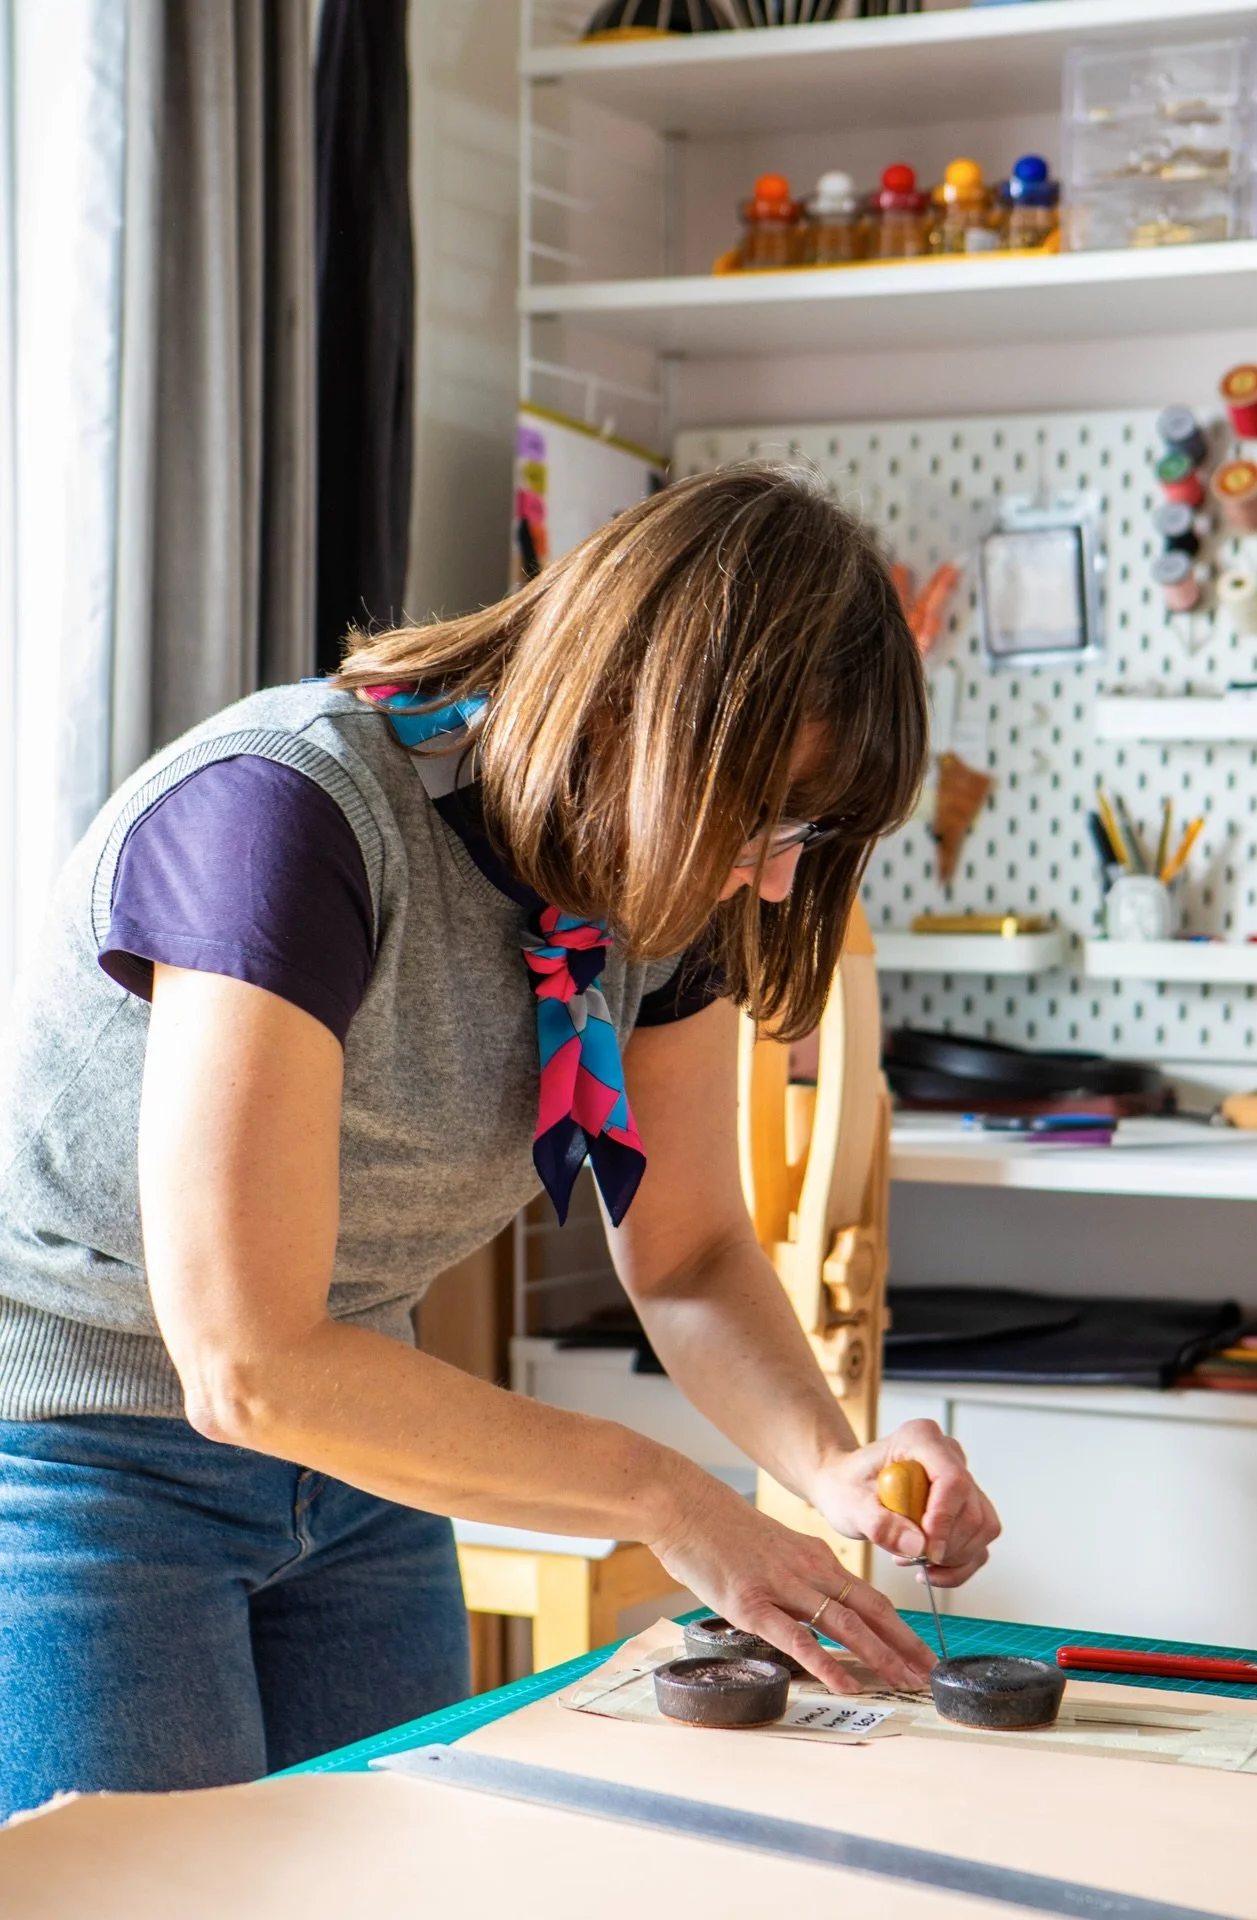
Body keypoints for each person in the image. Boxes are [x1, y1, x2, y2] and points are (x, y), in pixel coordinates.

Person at [0, 467, 1000, 1817]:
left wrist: (834, 1465)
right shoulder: (287, 821)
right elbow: (249, 1365)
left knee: (397, 1879)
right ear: (641, 716)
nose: (772, 876)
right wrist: (667, 1496)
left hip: (353, 1471)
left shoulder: (665, 878)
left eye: (808, 837)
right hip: (73, 1461)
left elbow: (695, 1254)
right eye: (767, 820)